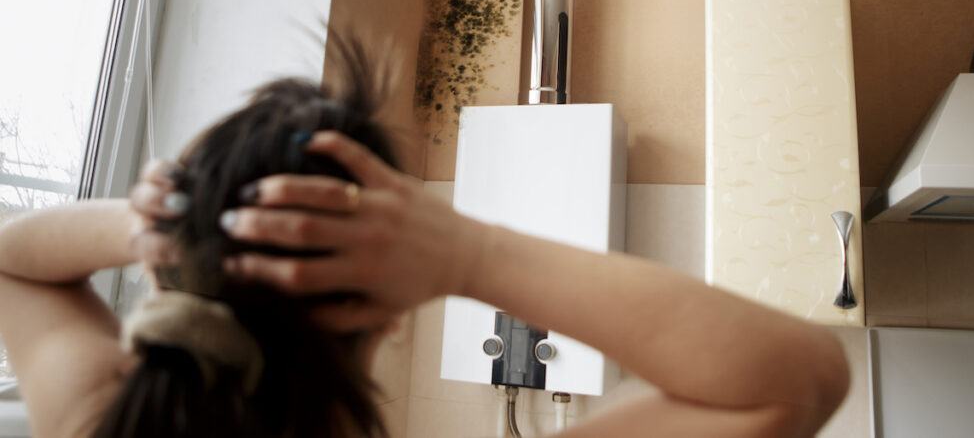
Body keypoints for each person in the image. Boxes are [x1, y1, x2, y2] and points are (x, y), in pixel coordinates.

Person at [0, 40, 850, 438]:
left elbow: (14, 261)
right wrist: (468, 252)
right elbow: (802, 379)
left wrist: (143, 225)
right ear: (392, 310)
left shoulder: (89, 423)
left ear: (166, 275)